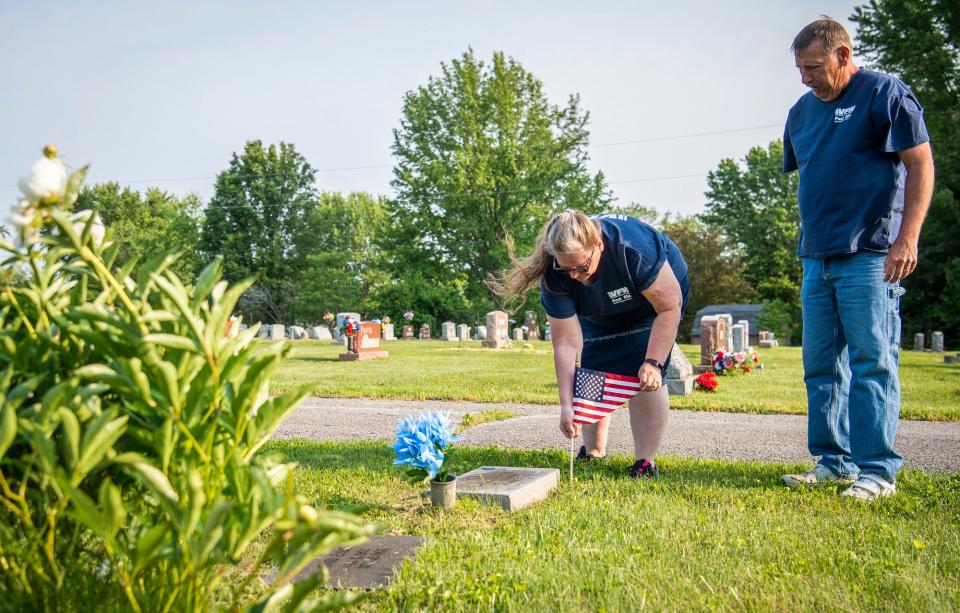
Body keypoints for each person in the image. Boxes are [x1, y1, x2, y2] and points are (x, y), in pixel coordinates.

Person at [780, 18, 935, 500]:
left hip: (871, 252)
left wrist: (907, 238)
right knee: (820, 366)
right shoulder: (800, 113)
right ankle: (833, 461)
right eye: (799, 69)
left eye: (814, 67)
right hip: (816, 255)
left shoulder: (885, 94)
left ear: (844, 56)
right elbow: (815, 180)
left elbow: (920, 163)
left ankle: (878, 470)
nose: (805, 77)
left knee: (872, 362)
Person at [493, 210, 688, 478]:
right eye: (566, 267)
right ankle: (594, 450)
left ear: (598, 245)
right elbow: (565, 345)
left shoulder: (633, 250)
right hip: (599, 309)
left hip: (654, 305)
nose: (574, 276)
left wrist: (653, 362)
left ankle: (645, 460)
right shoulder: (556, 275)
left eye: (581, 267)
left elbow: (669, 306)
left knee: (644, 376)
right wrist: (566, 406)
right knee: (593, 367)